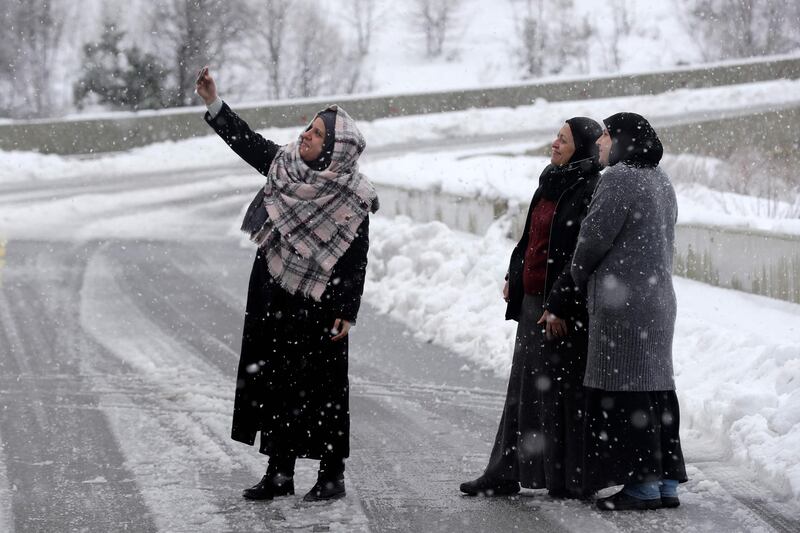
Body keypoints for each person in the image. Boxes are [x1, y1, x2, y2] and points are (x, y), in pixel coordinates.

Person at [195, 66, 379, 502]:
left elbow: (357, 258)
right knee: (277, 379)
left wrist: (346, 310)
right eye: (309, 128)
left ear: (334, 148)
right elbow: (248, 143)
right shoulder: (286, 166)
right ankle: (280, 470)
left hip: (320, 301)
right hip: (274, 291)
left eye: (316, 133)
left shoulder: (351, 195)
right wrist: (214, 104)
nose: (306, 136)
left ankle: (331, 475)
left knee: (324, 389)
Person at [460, 117, 603, 499]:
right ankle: (505, 470)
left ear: (583, 148)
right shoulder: (550, 181)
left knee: (558, 392)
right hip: (534, 302)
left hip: (560, 307)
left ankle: (567, 479)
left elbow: (580, 256)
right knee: (523, 387)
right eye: (556, 137)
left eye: (564, 140)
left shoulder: (589, 188)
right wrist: (515, 272)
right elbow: (531, 238)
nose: (554, 144)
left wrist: (561, 303)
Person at [570, 112, 687, 511]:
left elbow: (593, 238)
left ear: (621, 140)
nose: (601, 143)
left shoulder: (619, 178)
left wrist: (577, 273)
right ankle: (666, 482)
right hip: (658, 300)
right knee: (656, 391)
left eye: (606, 135)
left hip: (624, 304)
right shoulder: (661, 179)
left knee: (626, 392)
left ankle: (640, 486)